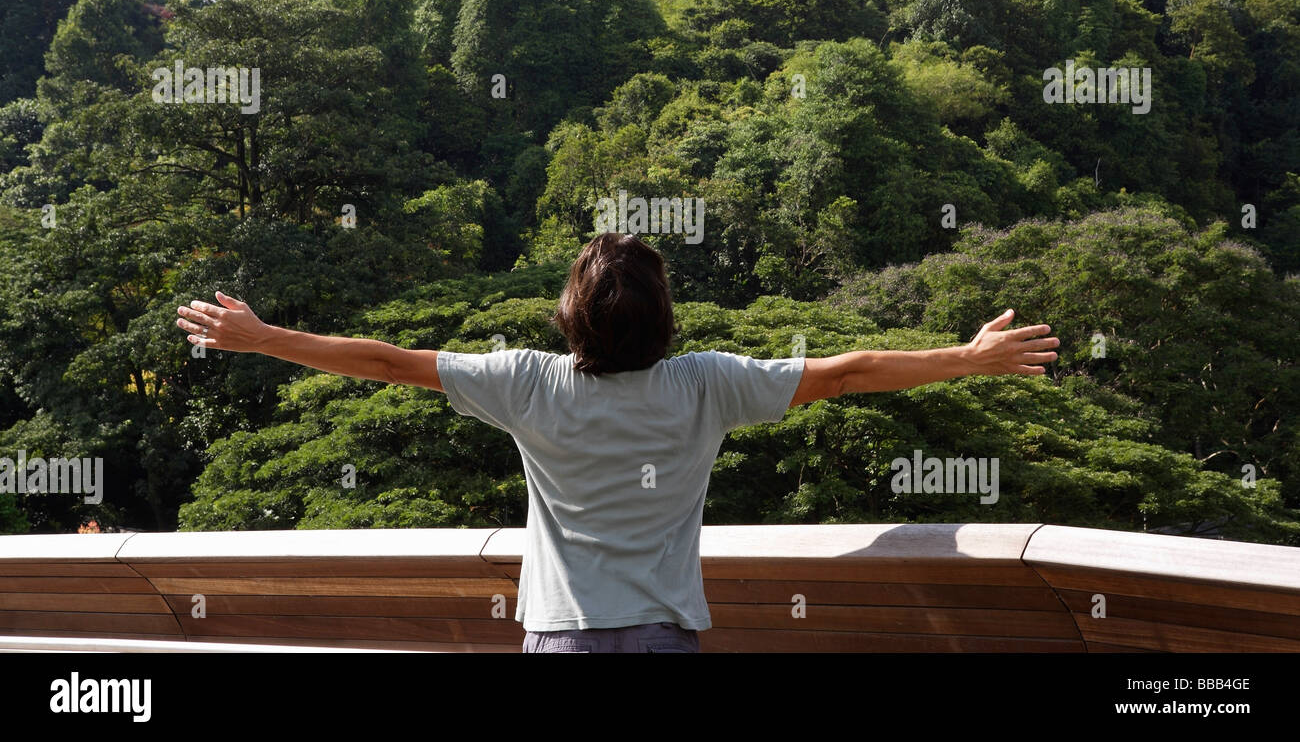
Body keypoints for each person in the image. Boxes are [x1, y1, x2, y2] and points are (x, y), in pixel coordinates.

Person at [176, 232, 1058, 653]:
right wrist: (971, 360)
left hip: (560, 635)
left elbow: (386, 362)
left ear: (570, 317)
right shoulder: (706, 383)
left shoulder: (526, 382)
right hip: (662, 636)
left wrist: (267, 338)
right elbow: (848, 371)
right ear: (664, 321)